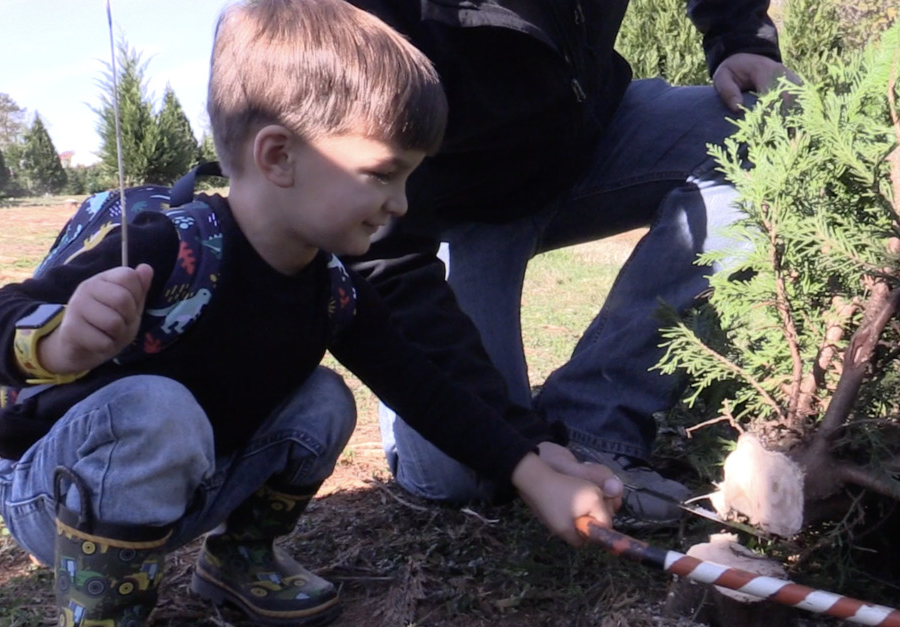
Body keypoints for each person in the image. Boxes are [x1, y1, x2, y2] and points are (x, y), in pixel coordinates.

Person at [0, 1, 620, 627]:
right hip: (56, 500)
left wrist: (530, 470)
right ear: (278, 156)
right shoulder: (169, 249)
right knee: (156, 408)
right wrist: (58, 340)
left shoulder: (330, 284)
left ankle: (239, 560)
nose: (401, 203)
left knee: (323, 399)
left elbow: (424, 387)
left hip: (188, 483)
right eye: (382, 173)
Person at [339, 0, 797, 522]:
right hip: (448, 208)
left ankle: (593, 425)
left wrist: (740, 39)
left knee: (764, 136)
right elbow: (382, 257)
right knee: (468, 475)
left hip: (591, 138)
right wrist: (523, 447)